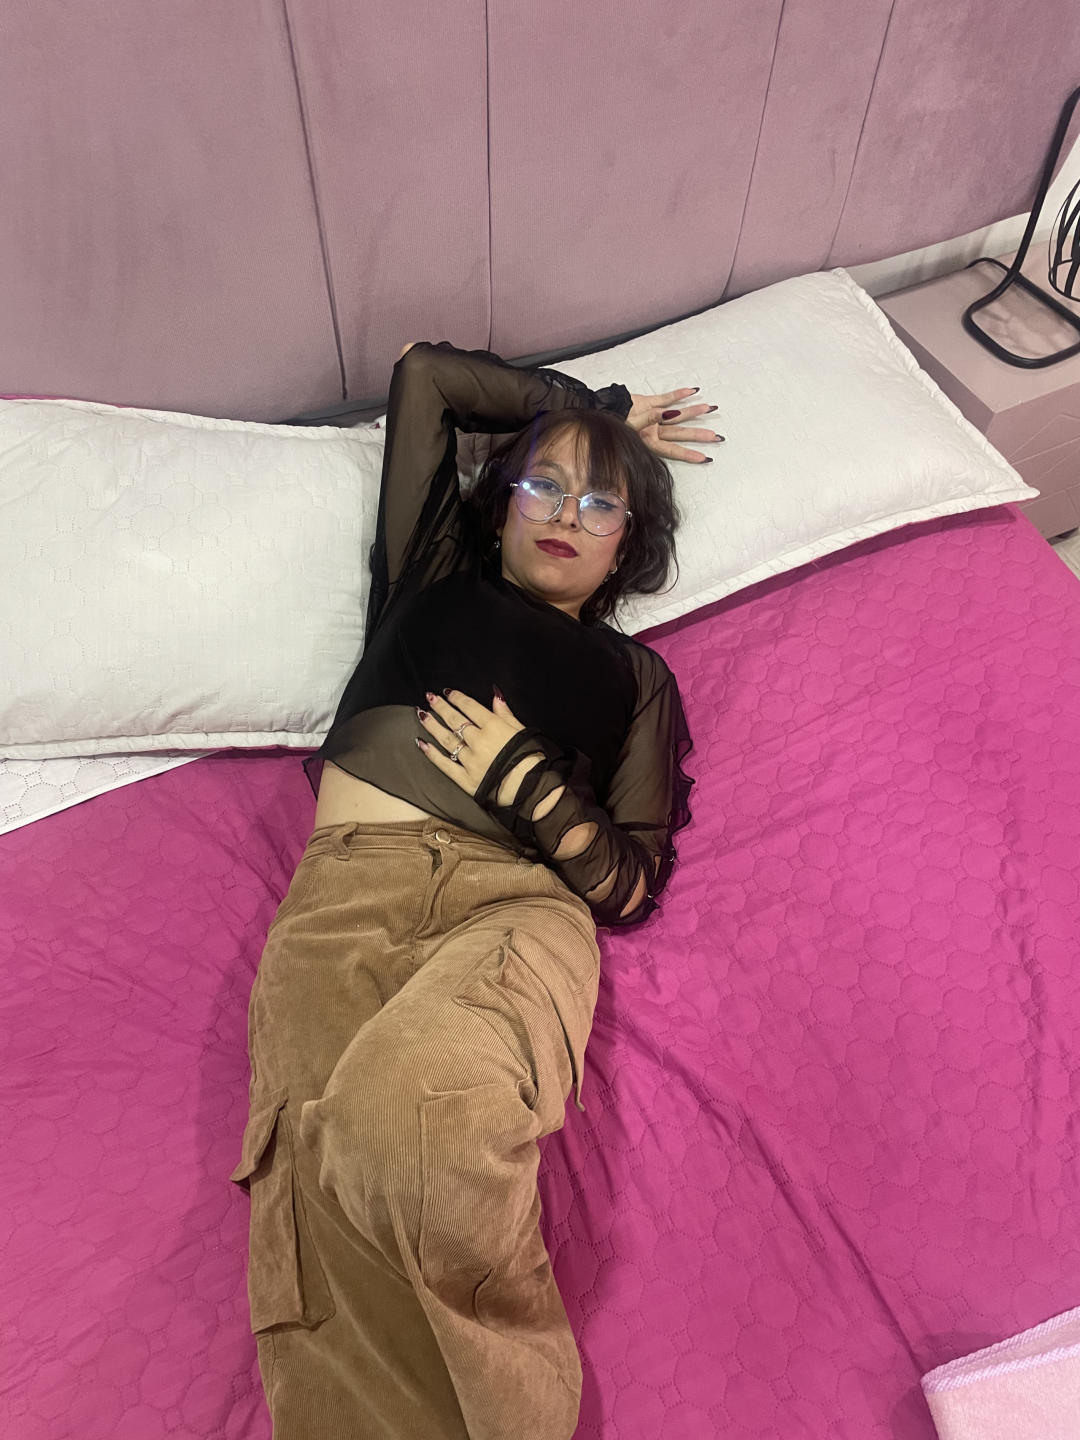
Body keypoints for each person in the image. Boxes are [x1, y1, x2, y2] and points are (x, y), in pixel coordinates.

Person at [229, 339, 720, 1439]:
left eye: (602, 503)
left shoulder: (637, 678)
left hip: (514, 905)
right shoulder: (434, 569)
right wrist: (603, 412)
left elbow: (629, 884)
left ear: (628, 548)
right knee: (315, 1209)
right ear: (498, 507)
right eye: (544, 483)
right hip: (342, 905)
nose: (567, 512)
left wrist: (525, 781)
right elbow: (427, 379)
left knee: (410, 1120)